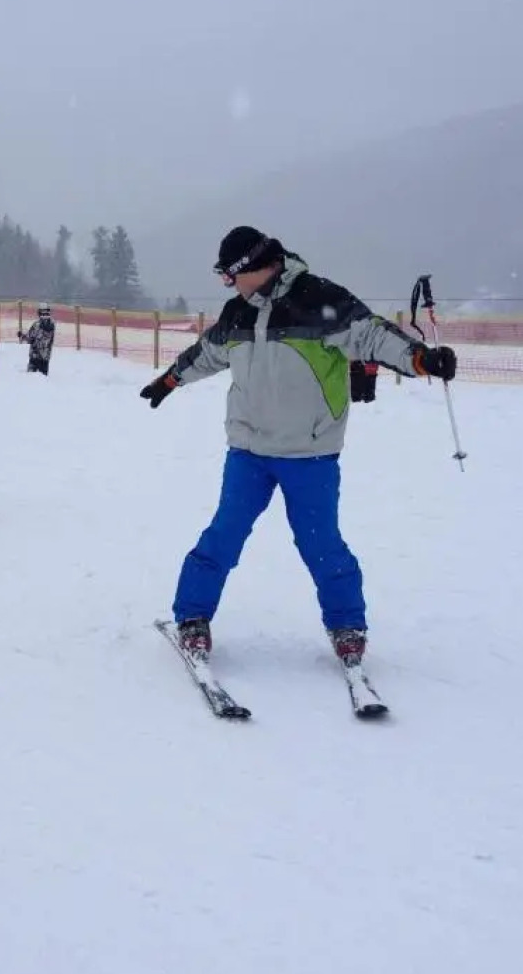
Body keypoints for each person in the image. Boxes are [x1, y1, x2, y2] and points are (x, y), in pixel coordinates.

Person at [138, 225, 457, 668]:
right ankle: (192, 617)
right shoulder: (238, 313)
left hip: (310, 454)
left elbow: (372, 336)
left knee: (321, 543)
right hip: (249, 451)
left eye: (229, 276)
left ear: (251, 267)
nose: (227, 286)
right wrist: (169, 381)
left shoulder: (318, 299)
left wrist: (421, 358)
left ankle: (347, 625)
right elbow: (207, 353)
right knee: (223, 536)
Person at [21, 303, 56, 375]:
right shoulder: (52, 324)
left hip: (35, 356)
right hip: (46, 356)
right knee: (43, 380)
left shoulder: (36, 324)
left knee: (32, 379)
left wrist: (22, 336)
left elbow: (30, 339)